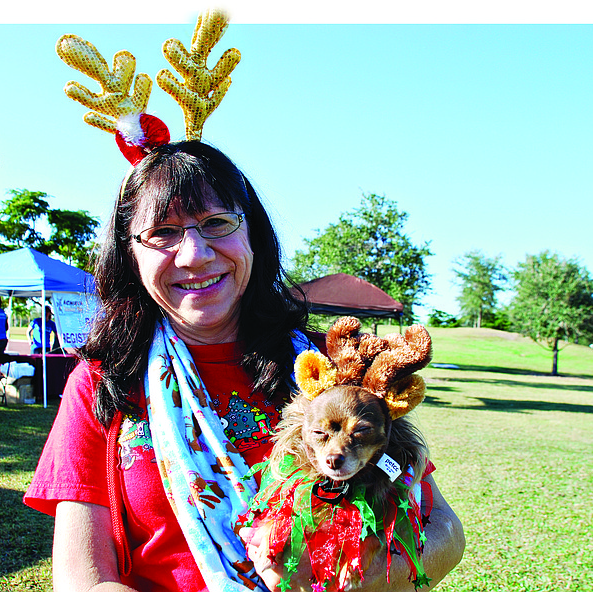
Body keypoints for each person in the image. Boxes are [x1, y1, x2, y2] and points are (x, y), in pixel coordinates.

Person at [23, 142, 465, 592]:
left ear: (251, 233)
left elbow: (444, 532)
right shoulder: (103, 382)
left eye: (216, 223)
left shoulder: (332, 370)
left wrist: (352, 580)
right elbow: (83, 581)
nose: (194, 254)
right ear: (130, 253)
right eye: (162, 232)